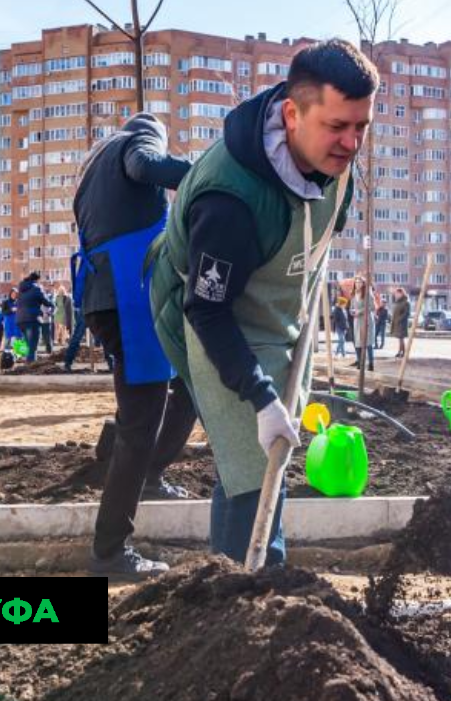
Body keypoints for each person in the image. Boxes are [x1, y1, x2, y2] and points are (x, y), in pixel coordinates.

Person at [150, 39, 370, 566]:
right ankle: (251, 584)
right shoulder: (229, 200)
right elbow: (208, 310)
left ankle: (241, 581)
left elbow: (320, 232)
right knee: (250, 456)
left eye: (361, 126)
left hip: (275, 311)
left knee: (264, 453)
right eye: (337, 126)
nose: (351, 142)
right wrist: (261, 396)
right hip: (207, 314)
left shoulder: (334, 162)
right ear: (292, 114)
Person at [72, 111, 199, 577]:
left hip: (109, 295)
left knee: (185, 381)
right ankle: (109, 552)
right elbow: (146, 167)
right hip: (131, 295)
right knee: (140, 421)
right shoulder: (137, 138)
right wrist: (203, 174)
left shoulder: (92, 166)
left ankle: (149, 472)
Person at [16, 272, 53, 362]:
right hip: (32, 319)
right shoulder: (36, 289)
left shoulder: (21, 289)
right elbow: (45, 301)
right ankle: (30, 363)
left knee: (28, 343)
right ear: (36, 280)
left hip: (20, 319)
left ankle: (28, 360)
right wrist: (52, 306)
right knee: (33, 343)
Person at [349, 276, 375, 370]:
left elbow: (372, 307)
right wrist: (351, 311)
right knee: (358, 343)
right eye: (356, 282)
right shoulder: (353, 294)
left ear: (363, 283)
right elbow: (351, 307)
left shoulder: (368, 293)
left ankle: (371, 364)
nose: (357, 284)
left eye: (359, 282)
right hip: (357, 321)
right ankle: (360, 363)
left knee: (368, 343)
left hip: (366, 320)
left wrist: (360, 311)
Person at [390, 287, 410, 358]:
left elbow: (407, 313)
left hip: (402, 324)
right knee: (399, 338)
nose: (396, 295)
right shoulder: (397, 302)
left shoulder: (405, 302)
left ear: (401, 294)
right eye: (395, 294)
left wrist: (399, 319)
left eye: (397, 293)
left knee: (401, 338)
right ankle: (400, 351)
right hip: (397, 323)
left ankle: (403, 352)